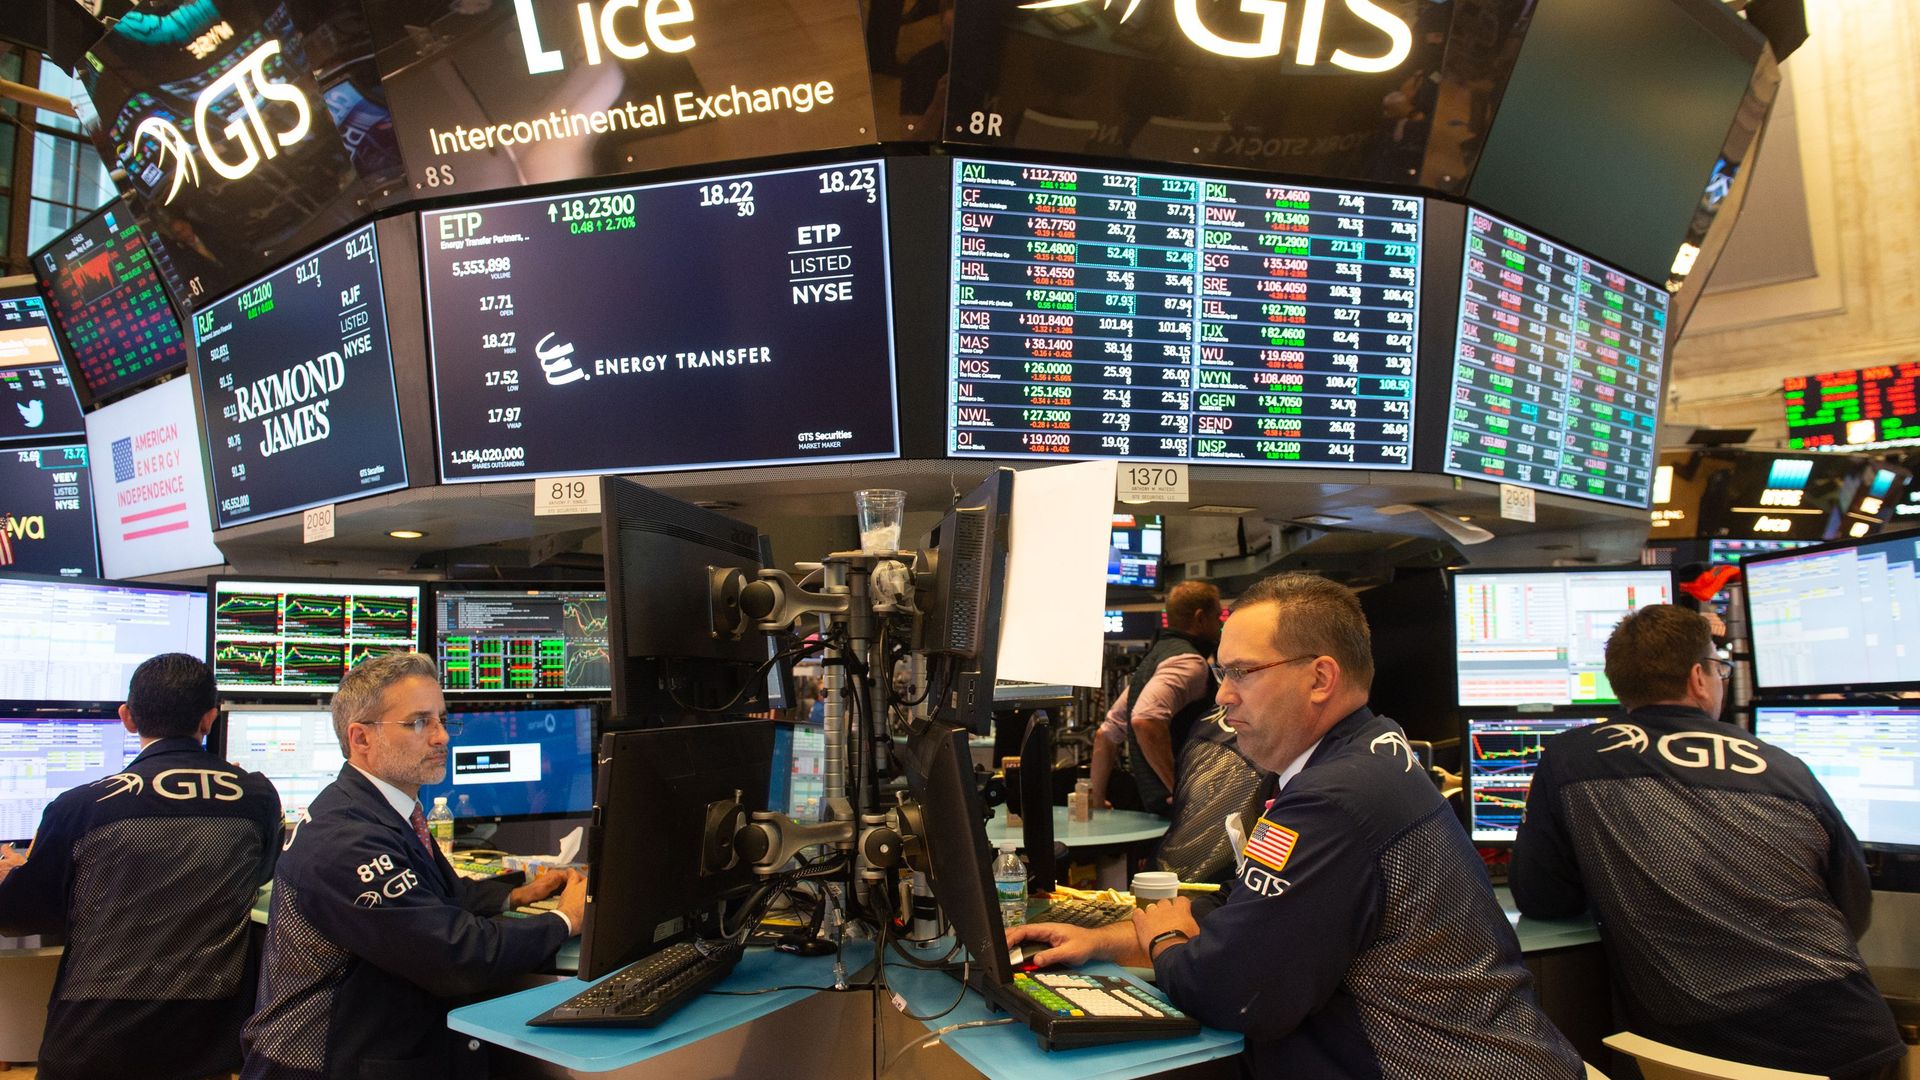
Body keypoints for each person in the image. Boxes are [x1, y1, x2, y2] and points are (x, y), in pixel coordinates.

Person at [1013, 573, 1583, 1076]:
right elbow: (1244, 913)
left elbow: (1236, 993)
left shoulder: (1336, 800)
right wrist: (1104, 941)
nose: (1222, 696)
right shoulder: (1366, 752)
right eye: (1220, 672)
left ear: (1319, 678)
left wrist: (1162, 936)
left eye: (1241, 673)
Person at [1512, 605, 1905, 1079]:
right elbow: (1852, 909)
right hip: (1847, 1041)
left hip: (1691, 1053)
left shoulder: (1571, 759)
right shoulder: (1783, 767)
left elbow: (1543, 897)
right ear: (1700, 678)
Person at [242, 652, 586, 1080]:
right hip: (325, 1065)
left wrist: (516, 894)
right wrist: (564, 919)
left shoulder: (383, 810)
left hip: (375, 1045)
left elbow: (439, 898)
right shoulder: (347, 839)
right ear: (361, 738)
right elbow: (457, 957)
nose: (441, 736)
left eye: (442, 720)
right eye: (419, 722)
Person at [0, 653, 282, 1080]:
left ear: (127, 718)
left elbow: (23, 916)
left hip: (94, 1042)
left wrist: (19, 871)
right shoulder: (258, 797)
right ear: (209, 717)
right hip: (207, 1045)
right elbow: (255, 877)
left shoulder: (80, 807)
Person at [1088, 580, 1221, 816]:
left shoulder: (1157, 660)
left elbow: (1106, 733)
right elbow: (1145, 720)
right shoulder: (1187, 663)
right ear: (1200, 618)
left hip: (1158, 807)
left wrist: (1097, 798)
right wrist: (1178, 788)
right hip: (1177, 808)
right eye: (1217, 616)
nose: (1219, 623)